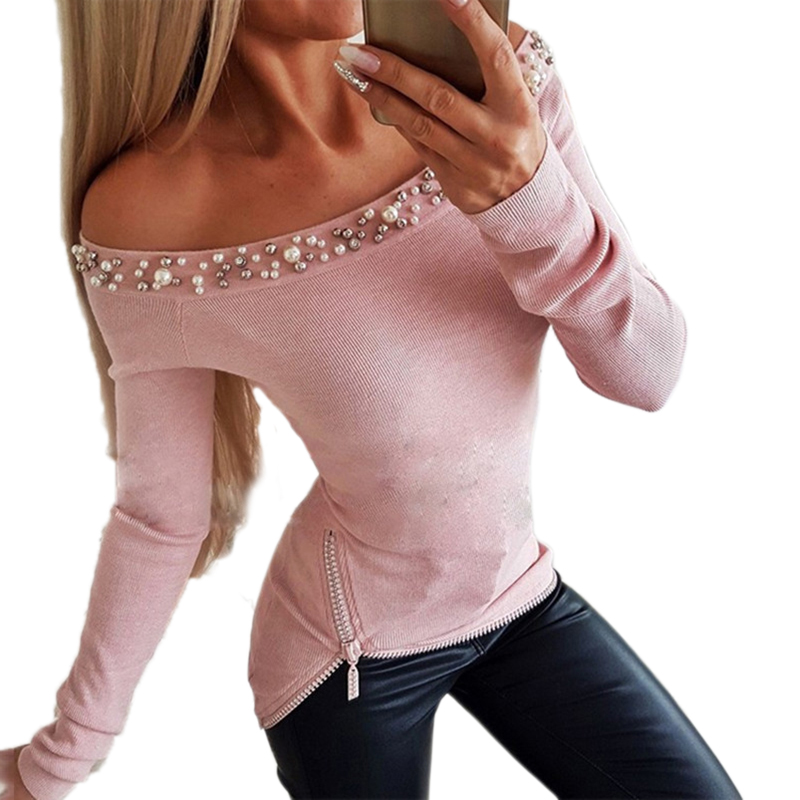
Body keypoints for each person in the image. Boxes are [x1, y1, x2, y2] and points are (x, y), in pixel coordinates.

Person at [1, 0, 742, 798]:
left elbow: (648, 373)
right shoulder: (153, 210)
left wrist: (528, 197)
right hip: (345, 659)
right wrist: (59, 761)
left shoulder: (497, 88)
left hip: (516, 593)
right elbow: (161, 516)